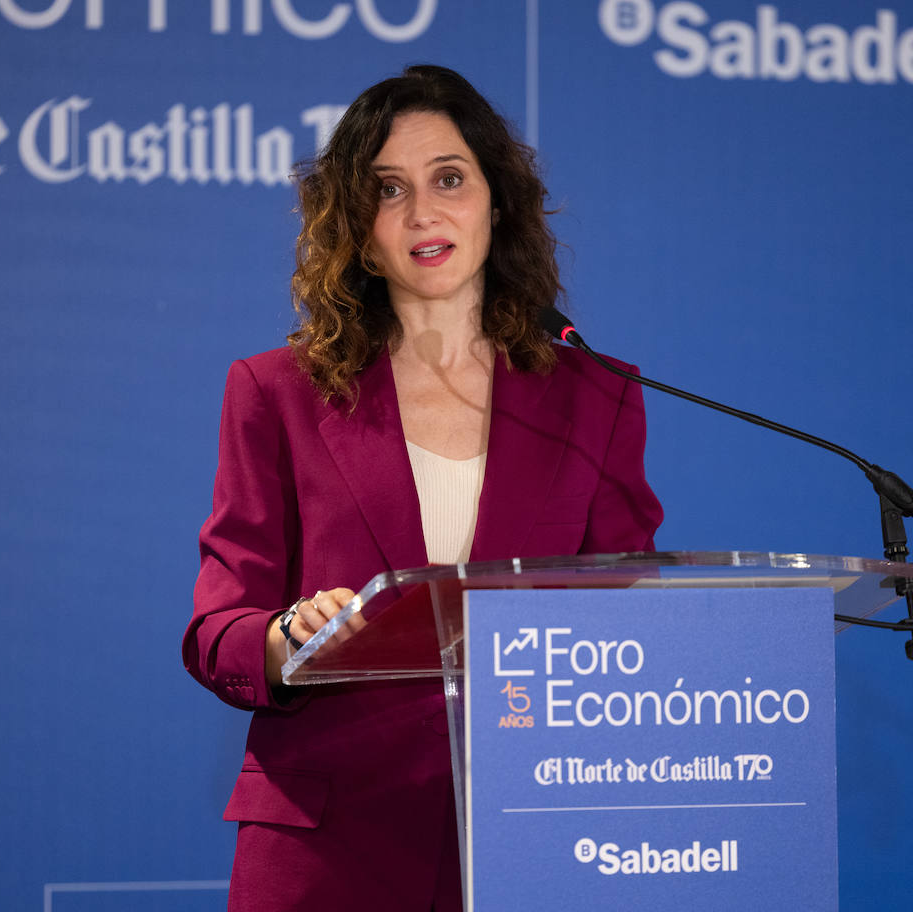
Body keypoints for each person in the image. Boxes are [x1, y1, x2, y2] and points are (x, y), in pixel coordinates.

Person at [183, 64, 664, 911]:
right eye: (387, 191)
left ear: (497, 202)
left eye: (449, 179)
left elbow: (628, 611)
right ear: (359, 233)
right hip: (329, 847)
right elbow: (218, 631)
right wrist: (290, 634)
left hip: (534, 835)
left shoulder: (599, 395)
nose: (423, 213)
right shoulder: (276, 393)